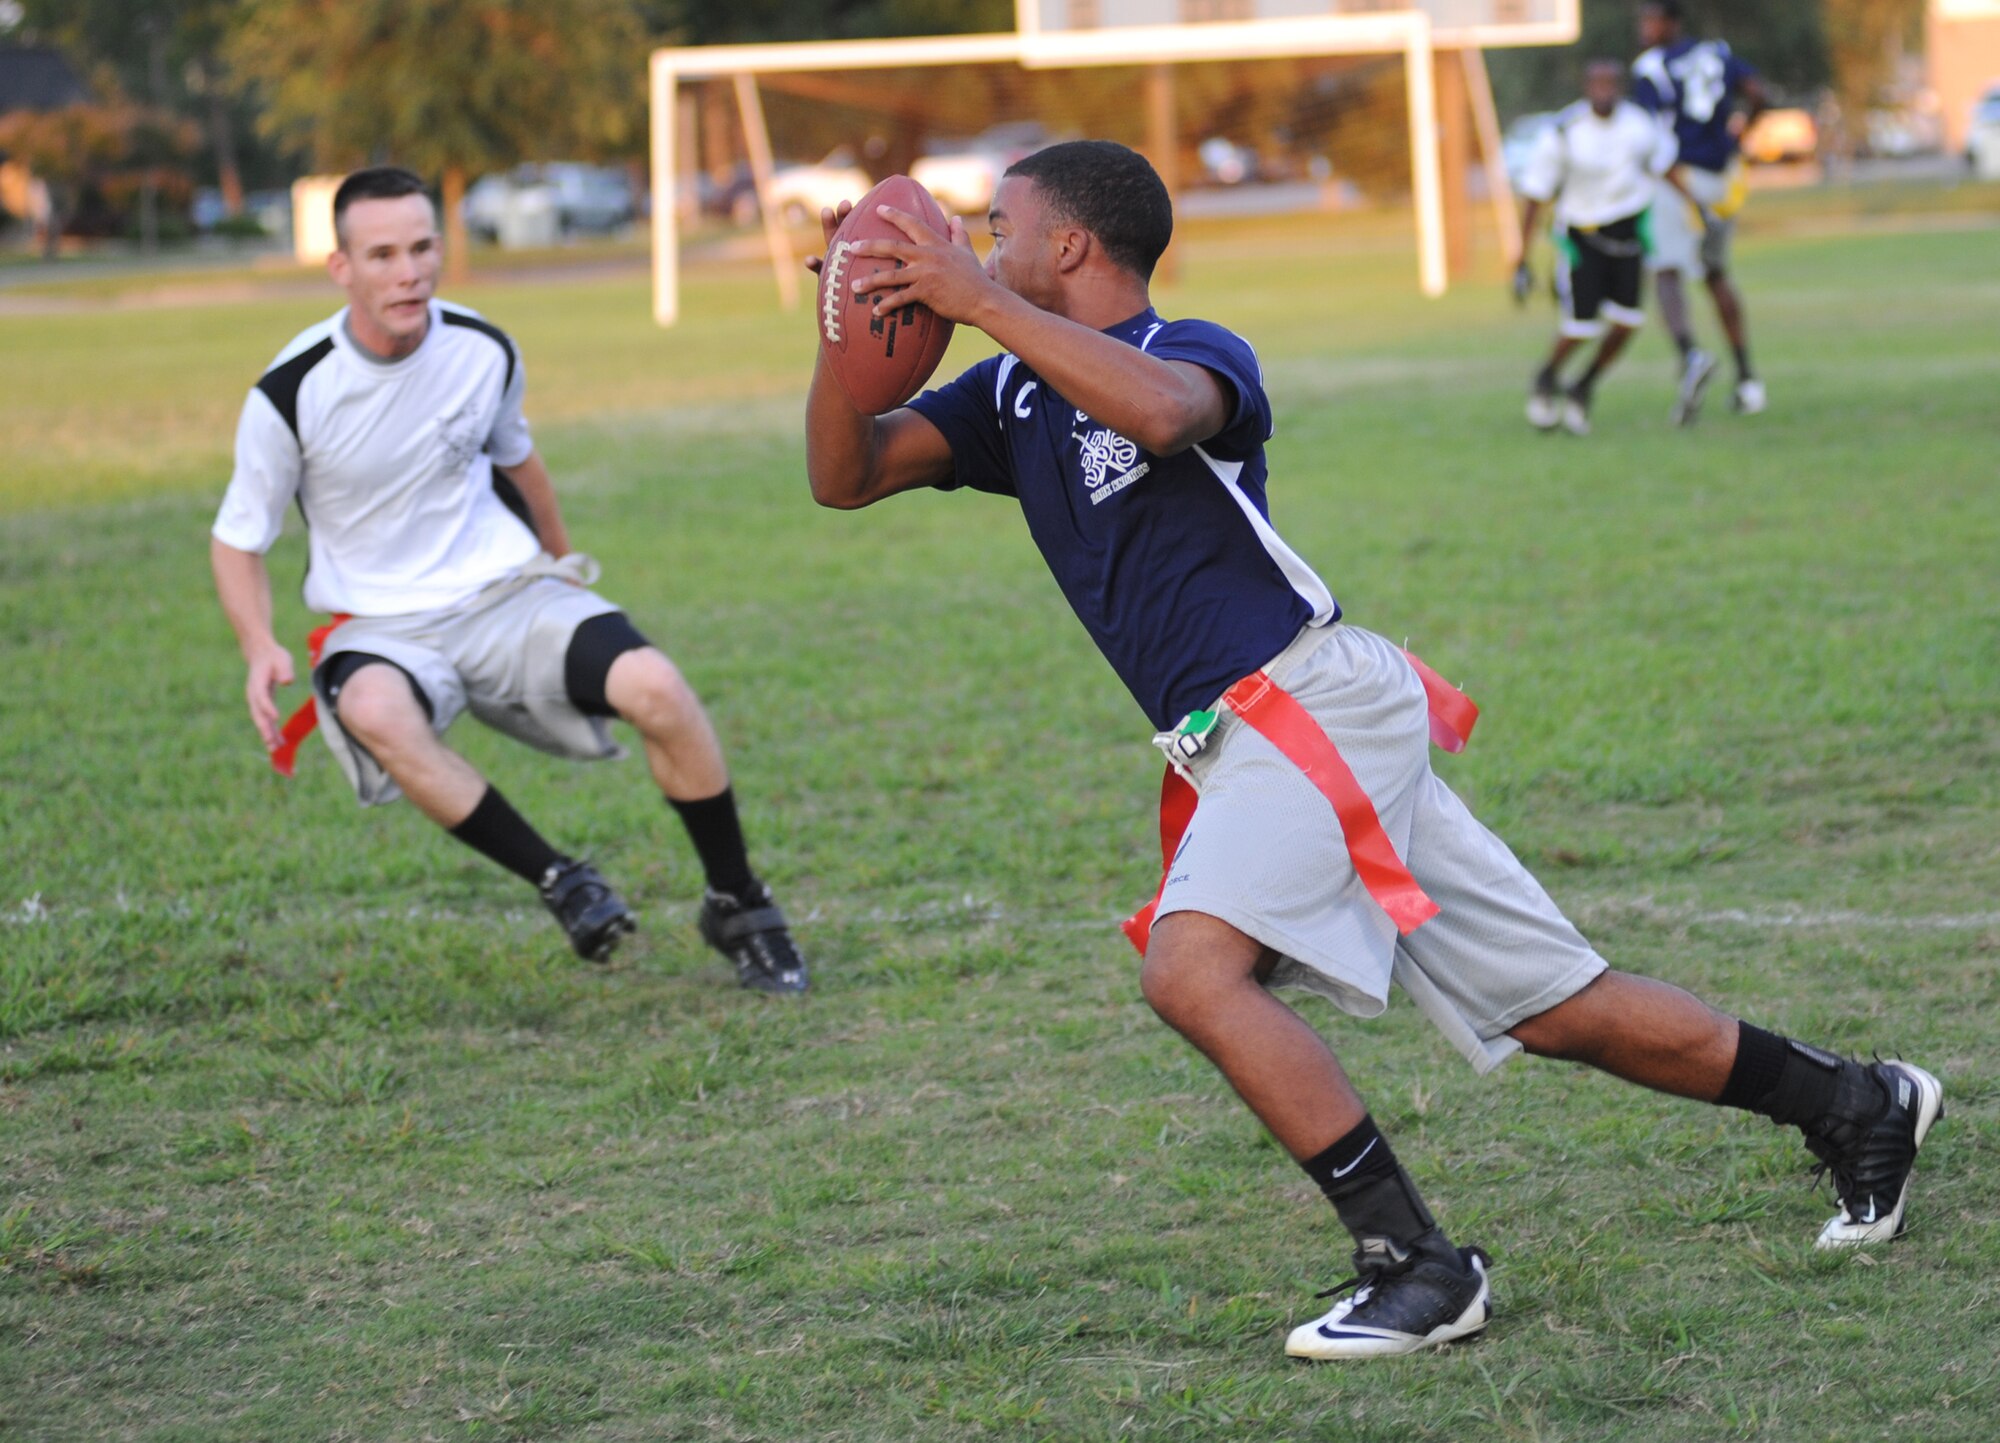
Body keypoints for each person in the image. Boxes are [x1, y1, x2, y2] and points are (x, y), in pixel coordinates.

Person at [802, 140, 1940, 1360]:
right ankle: (1853, 1101)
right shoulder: (1011, 394)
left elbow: (1161, 416)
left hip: (1306, 704)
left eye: (997, 224)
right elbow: (843, 475)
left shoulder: (1187, 351)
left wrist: (972, 302)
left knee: (1189, 973)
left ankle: (1416, 1267)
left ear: (1071, 245)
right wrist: (835, 343)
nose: (975, 246)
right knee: (1560, 1008)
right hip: (1249, 736)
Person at [210, 166, 807, 992]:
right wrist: (257, 645)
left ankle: (739, 901)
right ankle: (563, 879)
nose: (408, 270)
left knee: (658, 686)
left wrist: (560, 572)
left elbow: (521, 465)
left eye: (422, 247)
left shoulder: (482, 346)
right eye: (381, 254)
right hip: (381, 624)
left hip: (505, 594)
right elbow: (238, 537)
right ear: (341, 268)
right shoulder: (293, 388)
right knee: (373, 705)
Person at [1514, 59, 1681, 436]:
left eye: (1612, 84)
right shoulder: (1564, 130)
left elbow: (1663, 165)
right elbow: (1535, 194)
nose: (1604, 91)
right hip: (1582, 236)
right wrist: (1520, 258)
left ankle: (1582, 387)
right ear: (1586, 86)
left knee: (1627, 323)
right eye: (1597, 84)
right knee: (1581, 326)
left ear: (1620, 87)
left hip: (1627, 235)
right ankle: (1546, 379)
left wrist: (1694, 205)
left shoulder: (1638, 125)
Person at [1633, 0, 1769, 423]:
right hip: (1720, 180)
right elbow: (1759, 95)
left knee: (1666, 271)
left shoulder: (1651, 67)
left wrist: (1682, 191)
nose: (1644, 27)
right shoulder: (1718, 53)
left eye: (1651, 19)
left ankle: (1691, 355)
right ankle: (1748, 378)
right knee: (1715, 274)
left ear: (1671, 22)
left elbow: (1653, 141)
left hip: (1680, 180)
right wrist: (1738, 137)